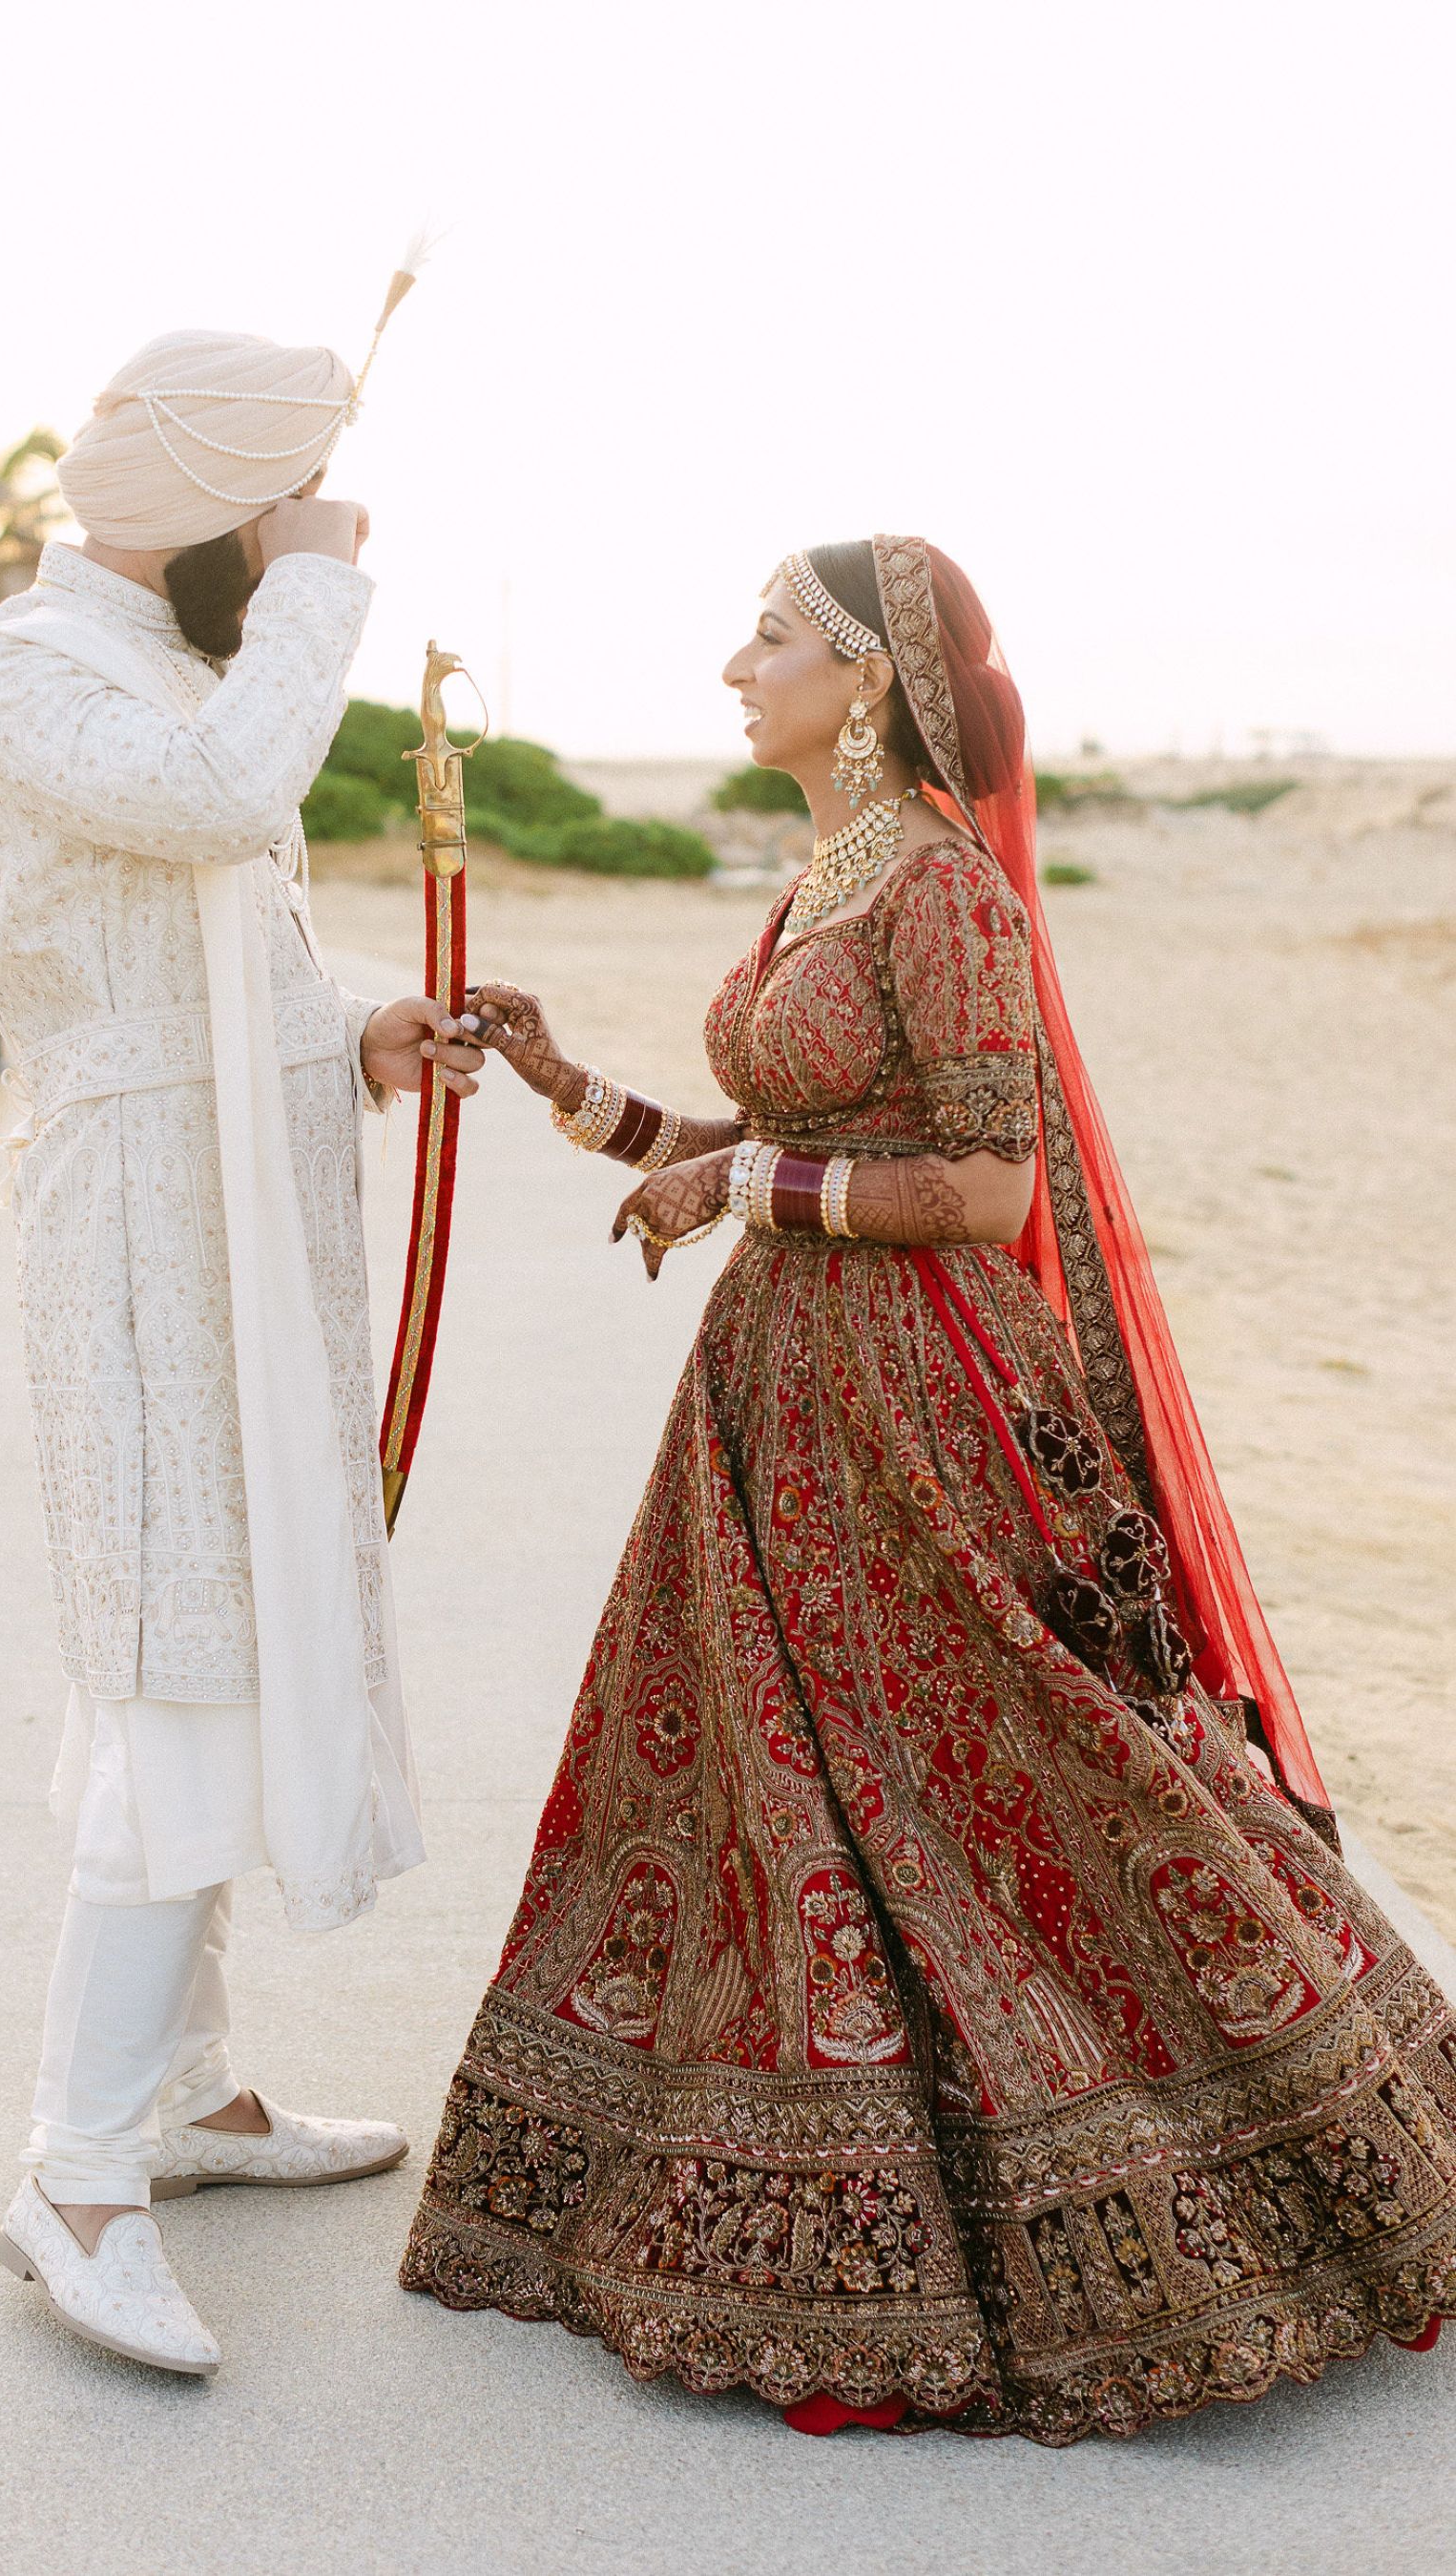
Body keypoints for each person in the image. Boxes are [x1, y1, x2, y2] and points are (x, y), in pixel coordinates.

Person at [401, 534, 1456, 2442]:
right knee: (788, 1787)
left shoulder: (948, 886)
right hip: (781, 1398)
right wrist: (569, 1086)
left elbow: (983, 1188)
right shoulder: (828, 871)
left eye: (771, 640)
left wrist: (738, 1185)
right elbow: (776, 1133)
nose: (736, 668)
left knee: (1010, 1768)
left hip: (922, 1397)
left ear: (871, 679)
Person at [0, 326, 485, 2377]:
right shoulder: (28, 667)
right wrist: (330, 586)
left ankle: (187, 2093)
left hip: (230, 1211)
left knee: (228, 1638)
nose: (300, 545)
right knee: (177, 1653)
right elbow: (220, 801)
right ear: (206, 512)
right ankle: (76, 2175)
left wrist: (352, 1038)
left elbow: (200, 942)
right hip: (142, 1235)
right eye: (277, 515)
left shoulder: (161, 662)